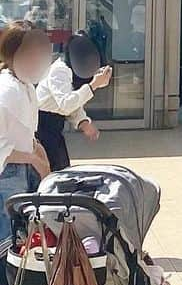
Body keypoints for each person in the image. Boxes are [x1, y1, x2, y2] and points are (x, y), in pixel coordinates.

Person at [0, 23, 53, 242]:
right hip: (8, 174)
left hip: (25, 170)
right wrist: (33, 159)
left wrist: (40, 156)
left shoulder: (26, 86)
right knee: (8, 239)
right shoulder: (6, 91)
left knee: (22, 239)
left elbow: (26, 133)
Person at [35, 32, 113, 171]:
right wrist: (93, 85)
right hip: (42, 126)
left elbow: (72, 101)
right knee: (51, 172)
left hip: (54, 125)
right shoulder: (60, 70)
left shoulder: (69, 69)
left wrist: (82, 122)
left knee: (61, 170)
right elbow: (65, 104)